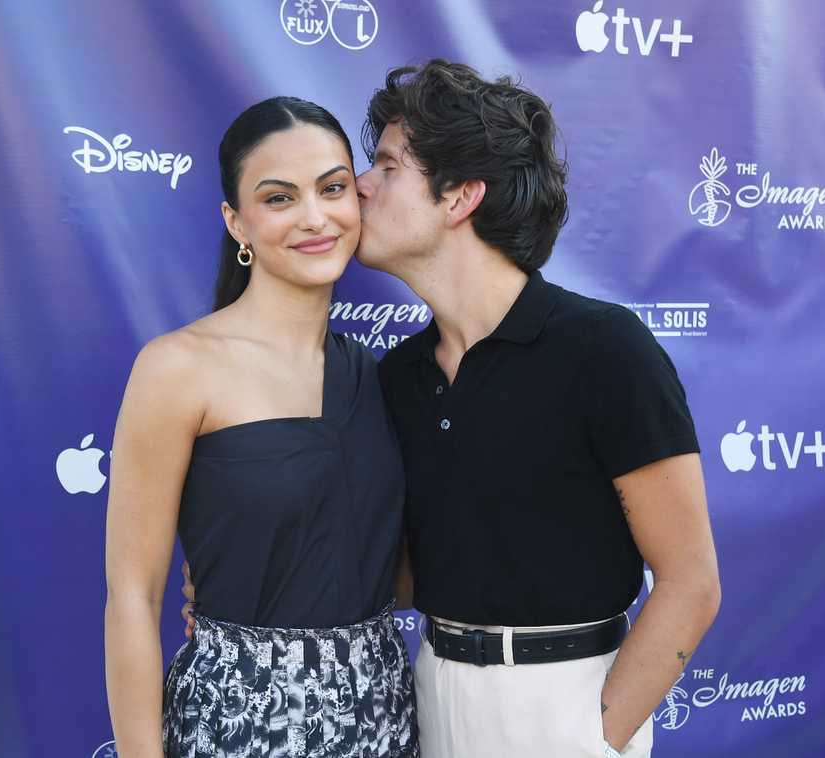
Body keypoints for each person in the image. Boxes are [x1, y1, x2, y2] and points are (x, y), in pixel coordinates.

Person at [181, 60, 721, 758]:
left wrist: (594, 738)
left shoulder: (602, 349)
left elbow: (691, 583)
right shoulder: (399, 375)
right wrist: (247, 571)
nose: (359, 188)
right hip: (430, 695)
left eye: (386, 166)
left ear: (461, 195)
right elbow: (399, 571)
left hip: (568, 701)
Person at [105, 97, 418, 758]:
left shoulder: (377, 376)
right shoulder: (177, 369)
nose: (314, 217)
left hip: (384, 721)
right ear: (236, 222)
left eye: (333, 189)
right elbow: (132, 596)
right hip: (237, 727)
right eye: (279, 199)